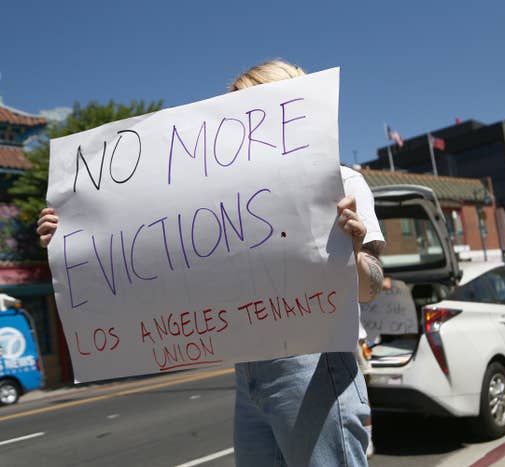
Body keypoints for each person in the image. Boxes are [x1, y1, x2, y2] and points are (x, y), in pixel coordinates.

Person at [37, 59, 385, 467]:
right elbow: (156, 246)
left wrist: (355, 249)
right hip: (250, 369)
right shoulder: (222, 198)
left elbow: (372, 288)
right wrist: (72, 236)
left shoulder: (343, 180)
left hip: (315, 363)